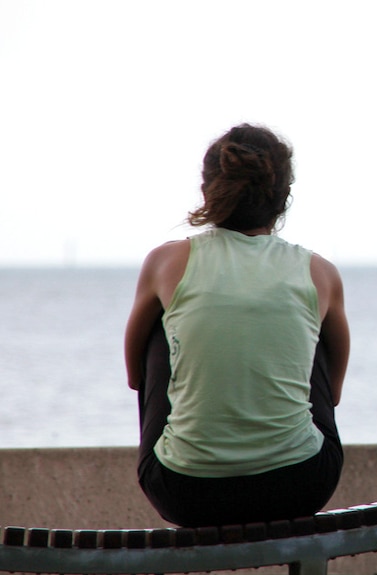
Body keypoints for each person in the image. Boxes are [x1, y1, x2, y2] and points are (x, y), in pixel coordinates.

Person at [124, 123, 349, 527]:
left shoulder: (165, 262)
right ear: (283, 197)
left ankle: (191, 445)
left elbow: (135, 376)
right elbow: (332, 392)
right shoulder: (320, 272)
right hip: (300, 486)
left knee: (163, 323)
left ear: (209, 190)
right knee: (309, 325)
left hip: (184, 492)